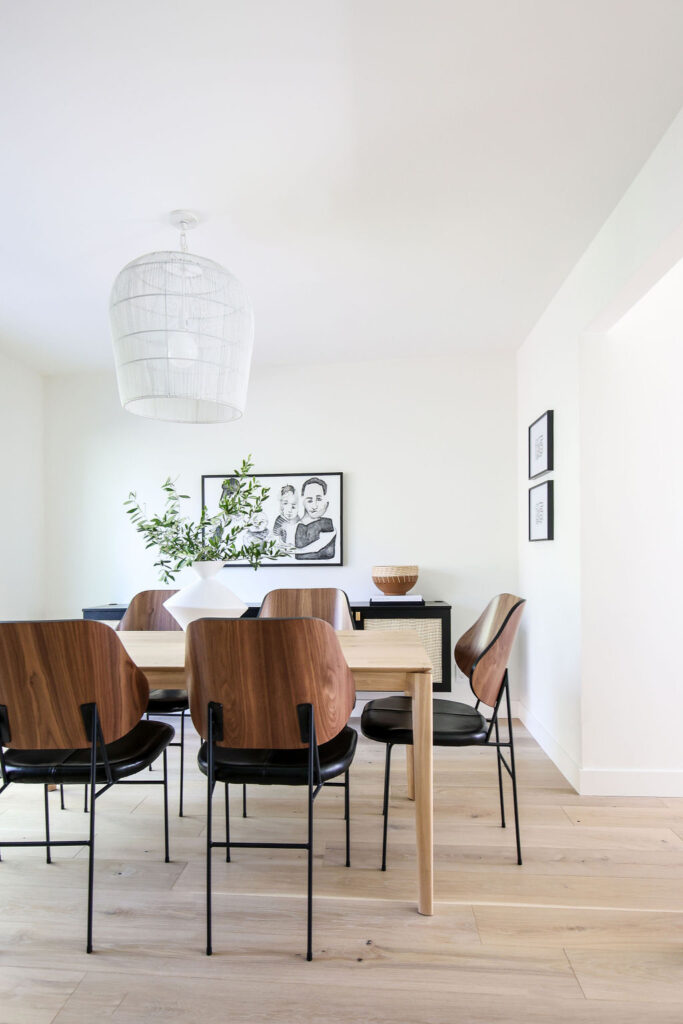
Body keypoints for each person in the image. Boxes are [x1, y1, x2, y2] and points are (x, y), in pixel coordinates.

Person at [294, 477, 336, 560]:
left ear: (326, 501)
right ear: (303, 501)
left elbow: (317, 547)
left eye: (319, 499)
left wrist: (293, 550)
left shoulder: (327, 523)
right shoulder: (298, 526)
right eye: (309, 500)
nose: (314, 506)